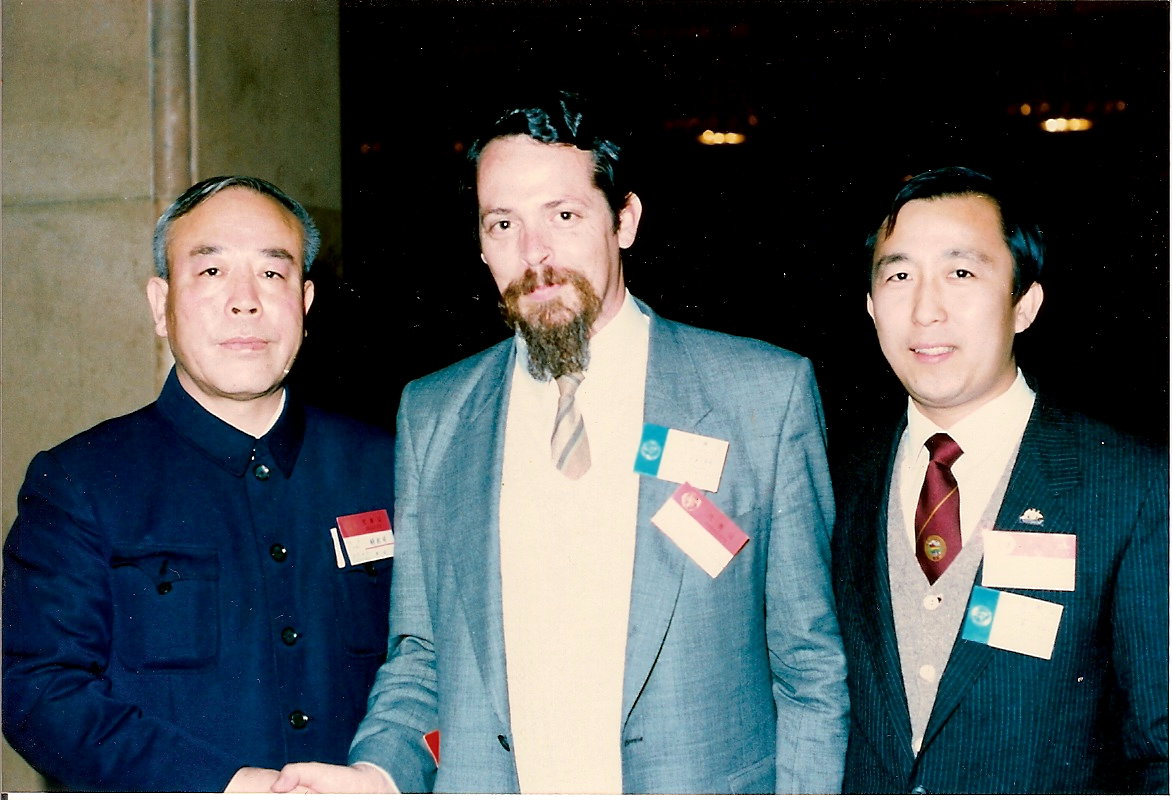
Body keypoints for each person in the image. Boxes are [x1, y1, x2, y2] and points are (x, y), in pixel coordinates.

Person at [273, 91, 848, 794]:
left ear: (624, 221)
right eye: (504, 223)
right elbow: (422, 657)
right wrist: (379, 773)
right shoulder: (435, 414)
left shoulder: (761, 396)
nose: (534, 253)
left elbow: (811, 670)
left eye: (565, 216)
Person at [2, 176, 395, 792]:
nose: (246, 301)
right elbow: (41, 693)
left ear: (307, 301)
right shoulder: (82, 483)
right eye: (211, 273)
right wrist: (226, 786)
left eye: (273, 273)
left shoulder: (386, 467)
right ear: (161, 306)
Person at [832, 166, 1168, 793]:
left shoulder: (1132, 487)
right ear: (872, 307)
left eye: (961, 274)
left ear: (1024, 304)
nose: (926, 310)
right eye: (899, 275)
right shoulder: (832, 477)